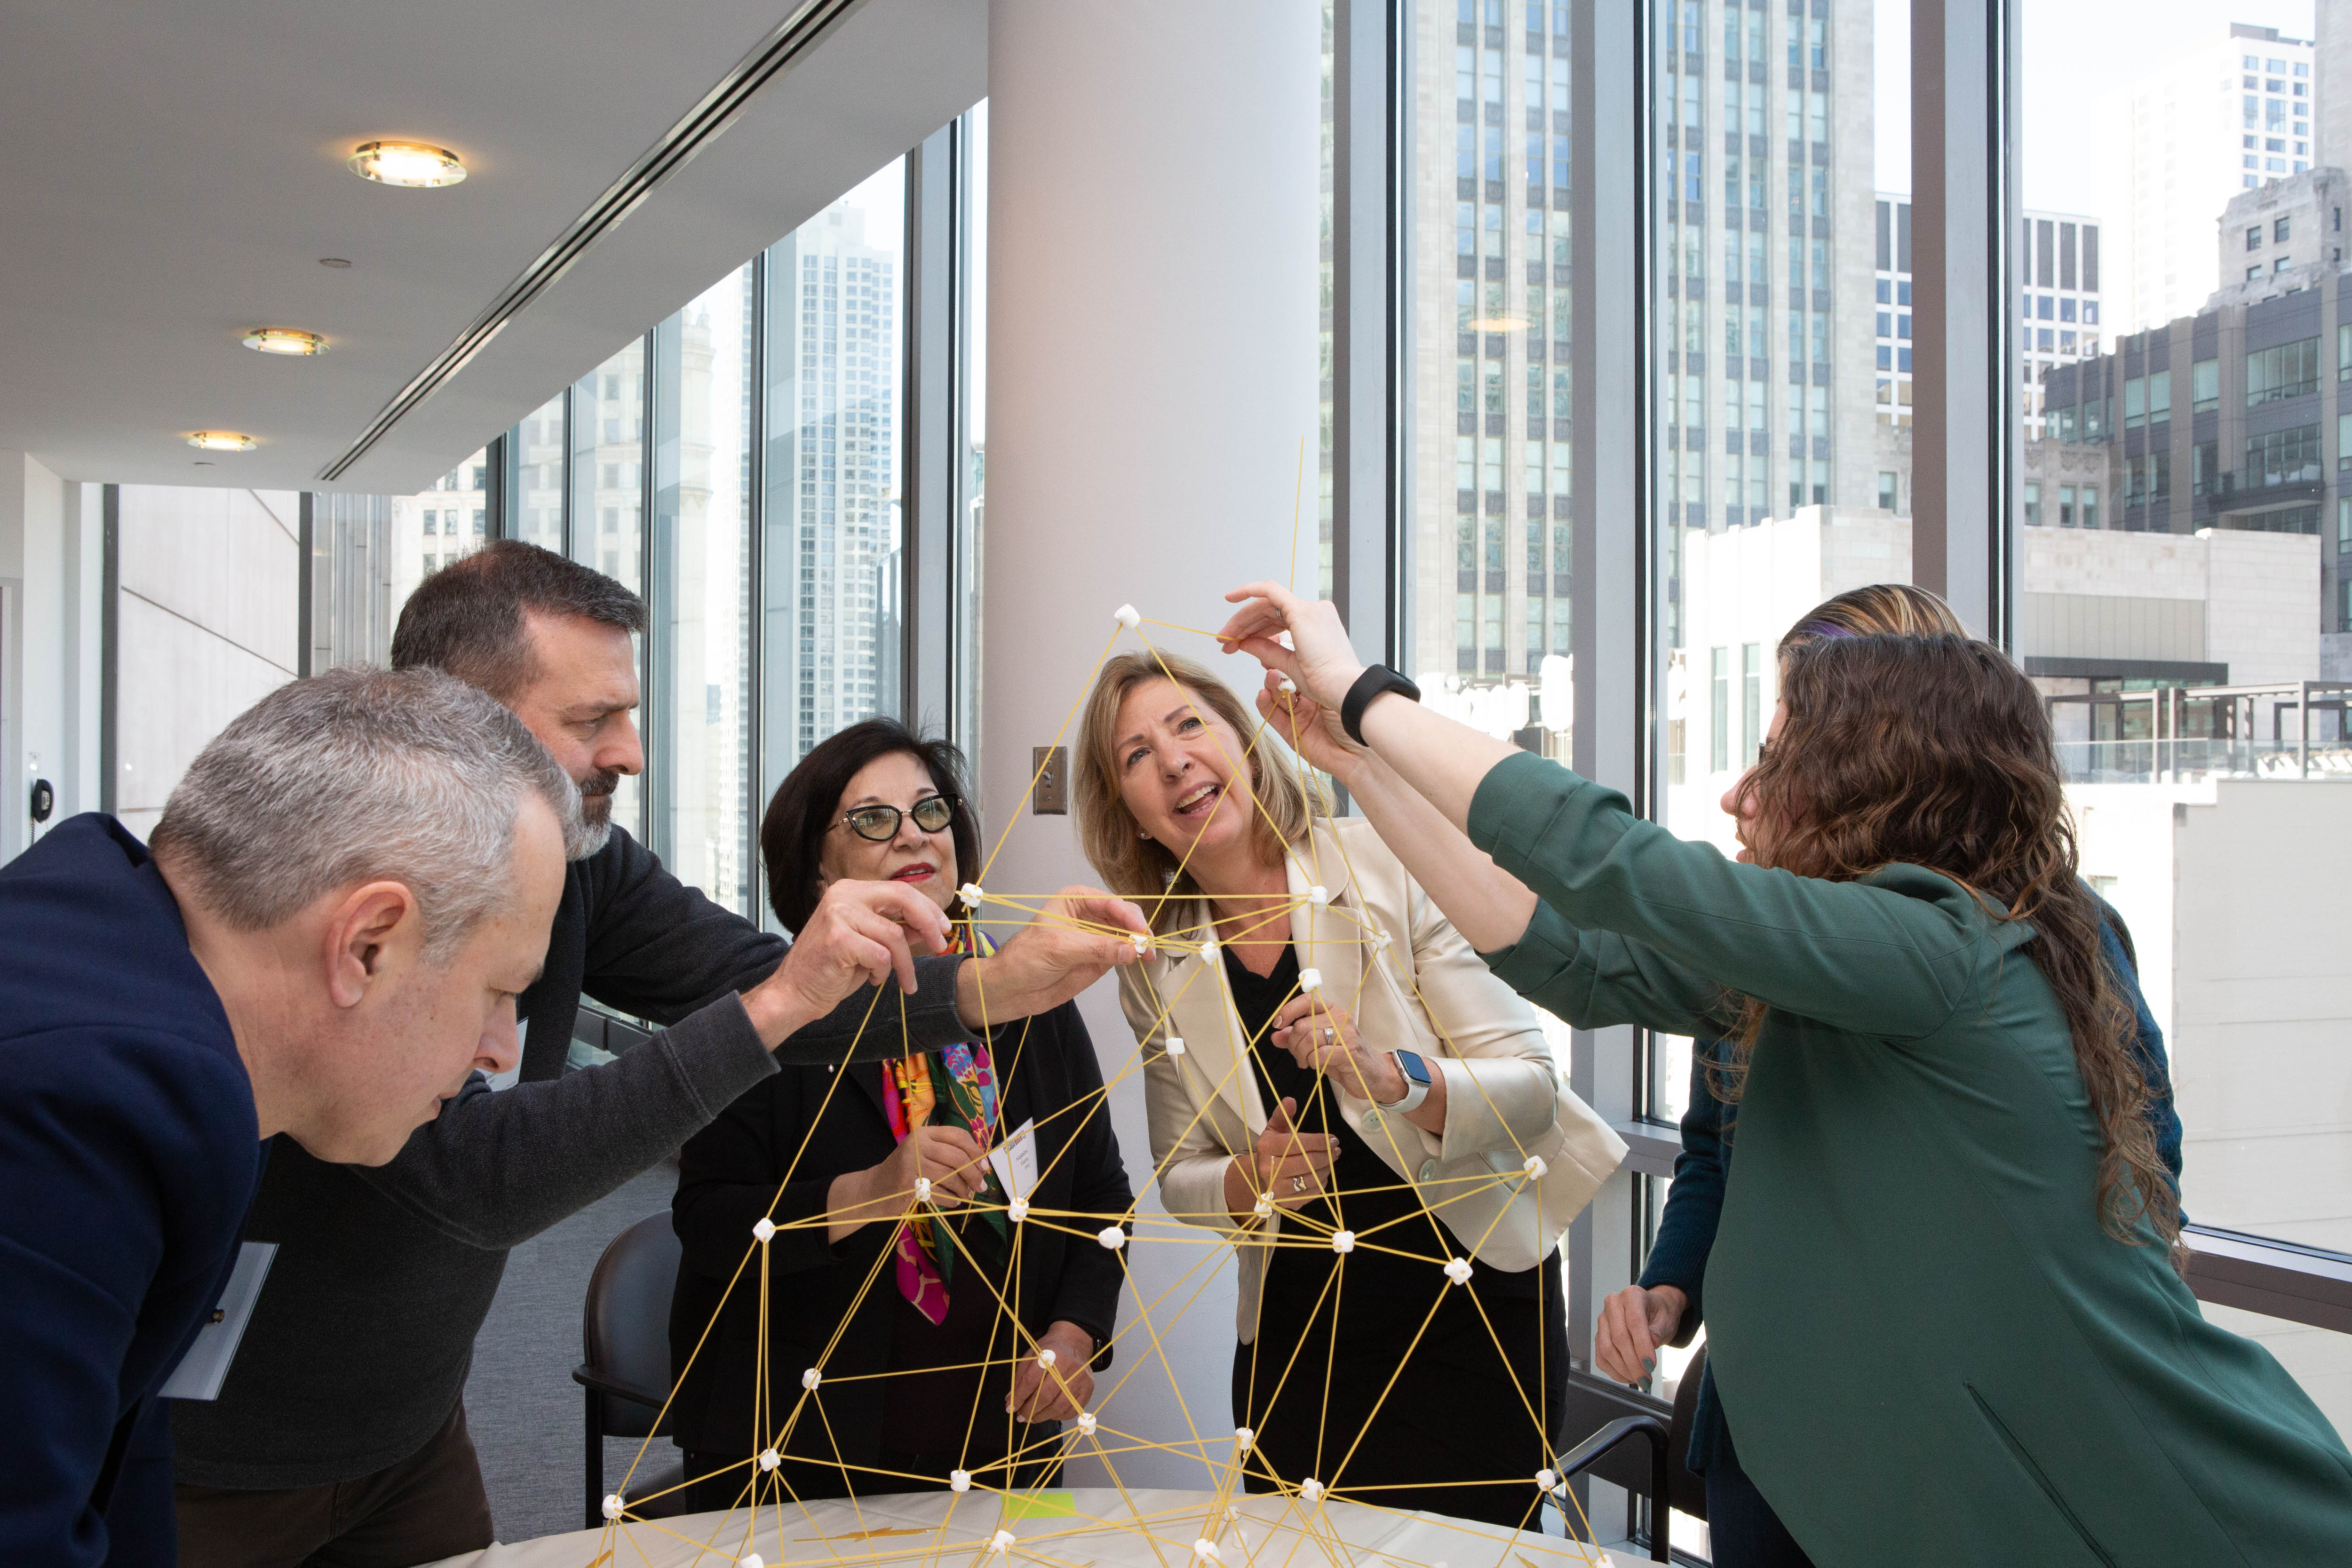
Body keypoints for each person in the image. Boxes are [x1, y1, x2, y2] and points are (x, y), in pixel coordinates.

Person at [1218, 578, 2352, 1566]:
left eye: (1777, 760)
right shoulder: (1828, 965)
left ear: (1873, 780)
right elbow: (1564, 952)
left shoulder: (1938, 950)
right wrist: (1362, 767)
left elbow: (1611, 862)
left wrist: (1370, 691)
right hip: (1809, 1456)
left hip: (2011, 1474)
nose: (1735, 795)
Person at [172, 543, 1149, 1568]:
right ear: (455, 717)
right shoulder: (351, 879)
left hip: (413, 1421)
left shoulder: (588, 864)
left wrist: (995, 988)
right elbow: (479, 1169)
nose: (632, 752)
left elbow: (756, 977)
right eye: (592, 719)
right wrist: (789, 1037)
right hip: (226, 1442)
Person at [1586, 584, 2188, 1568]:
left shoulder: (2054, 929)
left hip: (1946, 1433)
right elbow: (1715, 1145)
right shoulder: (1766, 920)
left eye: (1803, 742)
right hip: (1771, 1428)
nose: (1762, 780)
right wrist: (1669, 1289)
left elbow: (2142, 1162)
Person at [0, 668, 580, 1567]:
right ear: (367, 944)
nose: (501, 1049)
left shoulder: (107, 941)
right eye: (499, 991)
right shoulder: (79, 1108)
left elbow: (118, 1455)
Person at [1069, 651, 1622, 1528]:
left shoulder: (1385, 861)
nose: (1173, 759)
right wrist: (1250, 1182)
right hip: (1298, 1337)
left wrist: (1388, 1075)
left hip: (1468, 1303)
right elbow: (1181, 1175)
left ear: (1244, 743)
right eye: (1135, 754)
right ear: (1128, 811)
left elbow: (1536, 1090)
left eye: (1188, 724)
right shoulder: (1156, 959)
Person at [667, 720, 1135, 1508]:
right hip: (800, 1441)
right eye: (873, 819)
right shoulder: (776, 1008)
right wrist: (871, 1189)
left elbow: (1100, 1195)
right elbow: (710, 1222)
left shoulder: (1025, 994)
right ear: (818, 868)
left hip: (998, 1438)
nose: (913, 835)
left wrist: (1075, 1332)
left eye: (930, 810)